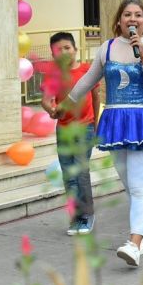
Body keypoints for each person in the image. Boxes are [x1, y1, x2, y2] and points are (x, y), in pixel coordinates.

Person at [58, 0, 143, 267]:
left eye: (138, 15)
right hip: (116, 122)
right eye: (127, 15)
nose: (132, 19)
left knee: (140, 188)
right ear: (119, 20)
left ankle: (133, 245)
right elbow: (88, 79)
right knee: (131, 188)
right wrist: (65, 105)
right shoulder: (106, 48)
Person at [40, 32, 100, 236]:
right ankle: (76, 216)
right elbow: (46, 100)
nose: (64, 52)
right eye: (58, 49)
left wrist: (97, 124)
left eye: (67, 47)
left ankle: (87, 215)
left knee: (81, 173)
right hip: (63, 128)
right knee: (68, 173)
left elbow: (95, 97)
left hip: (85, 127)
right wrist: (51, 110)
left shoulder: (86, 70)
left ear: (75, 49)